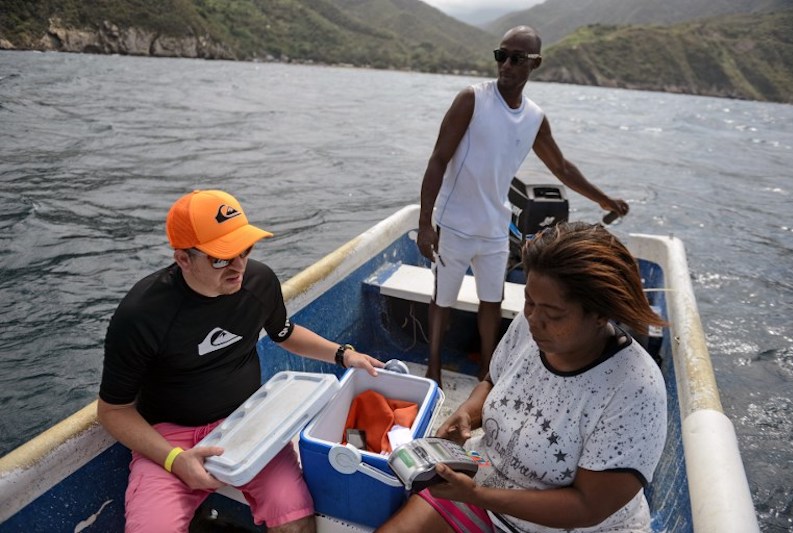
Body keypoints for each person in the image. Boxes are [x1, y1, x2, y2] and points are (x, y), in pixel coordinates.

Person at [97, 189, 383, 533]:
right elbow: (113, 410)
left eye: (244, 250)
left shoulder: (259, 282)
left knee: (295, 521)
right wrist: (175, 460)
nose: (238, 267)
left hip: (249, 423)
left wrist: (344, 354)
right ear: (183, 259)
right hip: (169, 439)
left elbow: (284, 332)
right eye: (220, 258)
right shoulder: (141, 314)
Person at [379, 221, 668, 533]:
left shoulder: (635, 389)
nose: (533, 319)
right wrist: (468, 413)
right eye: (529, 302)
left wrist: (478, 495)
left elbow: (587, 506)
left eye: (554, 315)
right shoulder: (529, 325)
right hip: (485, 485)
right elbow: (494, 380)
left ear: (600, 315)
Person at [416, 25, 630, 385]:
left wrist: (604, 200)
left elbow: (561, 167)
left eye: (517, 58)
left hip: (495, 227)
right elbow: (438, 159)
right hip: (454, 224)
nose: (506, 65)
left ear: (536, 63)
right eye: (501, 55)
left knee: (491, 302)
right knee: (442, 300)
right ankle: (433, 367)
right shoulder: (472, 99)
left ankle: (487, 370)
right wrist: (425, 223)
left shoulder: (534, 118)